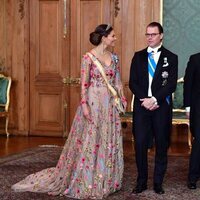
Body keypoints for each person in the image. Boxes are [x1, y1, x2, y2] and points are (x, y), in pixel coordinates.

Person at [12, 24, 127, 199]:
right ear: (104, 38)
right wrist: (85, 105)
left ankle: (106, 180)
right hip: (93, 103)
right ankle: (88, 180)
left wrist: (122, 97)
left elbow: (117, 81)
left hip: (109, 105)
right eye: (112, 36)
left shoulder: (115, 57)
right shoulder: (88, 58)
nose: (115, 38)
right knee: (91, 140)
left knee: (107, 139)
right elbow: (84, 83)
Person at [129, 22, 178, 194]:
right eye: (147, 34)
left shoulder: (171, 57)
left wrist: (155, 99)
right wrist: (145, 100)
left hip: (161, 108)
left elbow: (171, 84)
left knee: (162, 144)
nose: (149, 37)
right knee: (140, 144)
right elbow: (133, 82)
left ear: (161, 35)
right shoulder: (138, 56)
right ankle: (141, 181)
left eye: (153, 34)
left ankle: (158, 182)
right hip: (142, 107)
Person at [184, 53, 200, 190]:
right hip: (198, 109)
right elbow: (188, 84)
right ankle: (193, 177)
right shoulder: (195, 59)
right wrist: (188, 107)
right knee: (199, 141)